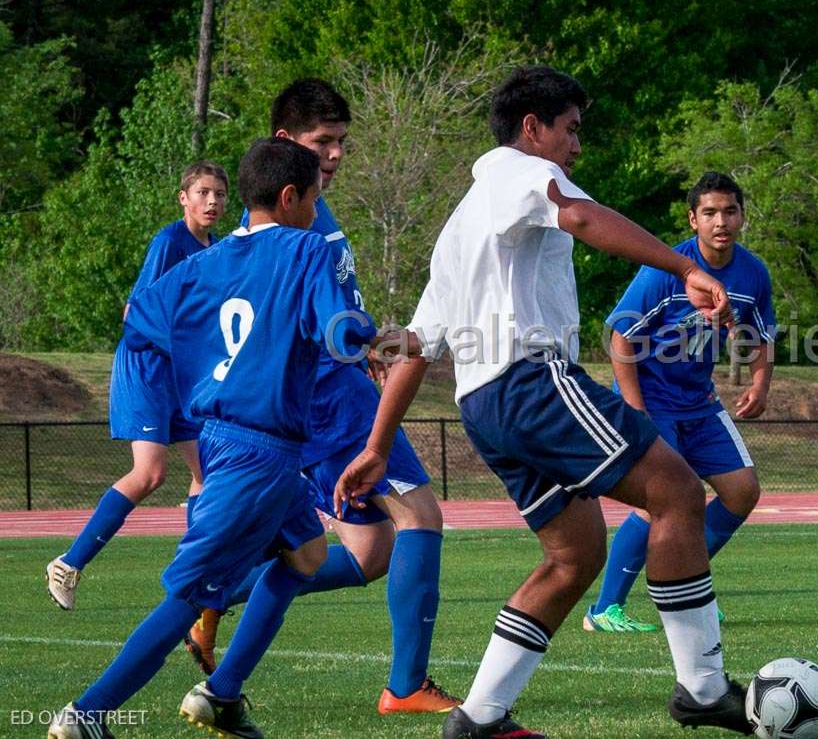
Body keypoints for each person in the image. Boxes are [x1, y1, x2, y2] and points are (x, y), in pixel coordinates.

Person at [335, 65, 754, 739]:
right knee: (677, 493)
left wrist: (377, 446)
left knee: (574, 554)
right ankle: (702, 690)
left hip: (485, 408)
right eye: (571, 130)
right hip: (529, 381)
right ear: (533, 129)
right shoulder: (514, 171)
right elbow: (583, 216)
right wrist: (685, 267)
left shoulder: (460, 228)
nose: (577, 147)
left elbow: (415, 347)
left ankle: (479, 718)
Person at [48, 137, 376, 739]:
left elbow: (139, 318)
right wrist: (377, 342)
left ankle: (222, 694)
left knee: (306, 555)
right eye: (315, 195)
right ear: (290, 196)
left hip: (224, 435)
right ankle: (85, 715)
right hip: (260, 451)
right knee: (188, 596)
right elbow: (339, 333)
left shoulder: (206, 260)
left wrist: (198, 370)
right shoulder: (306, 248)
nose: (316, 208)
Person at [182, 78, 459, 714]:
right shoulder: (300, 221)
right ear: (287, 145)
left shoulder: (292, 218)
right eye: (322, 142)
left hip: (308, 403)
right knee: (420, 515)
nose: (334, 155)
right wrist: (370, 342)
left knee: (366, 554)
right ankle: (406, 685)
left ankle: (219, 617)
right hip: (329, 401)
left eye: (340, 142)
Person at [584, 171, 774, 633]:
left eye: (729, 211)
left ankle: (679, 583)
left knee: (742, 492)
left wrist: (760, 383)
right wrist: (636, 410)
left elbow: (760, 334)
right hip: (650, 400)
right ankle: (603, 610)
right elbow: (620, 336)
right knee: (658, 502)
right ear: (693, 220)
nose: (720, 221)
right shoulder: (665, 268)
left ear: (743, 217)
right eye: (709, 212)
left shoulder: (753, 273)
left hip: (699, 401)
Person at [47, 162, 228, 611]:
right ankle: (69, 563)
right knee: (150, 474)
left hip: (182, 374)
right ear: (183, 198)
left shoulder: (220, 249)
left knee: (208, 472)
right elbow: (136, 314)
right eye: (203, 192)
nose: (212, 201)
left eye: (220, 194)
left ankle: (193, 577)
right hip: (147, 365)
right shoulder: (169, 242)